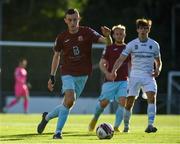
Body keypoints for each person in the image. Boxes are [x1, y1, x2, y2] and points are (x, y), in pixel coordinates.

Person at [37, 8, 112, 139]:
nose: (73, 22)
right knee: (70, 99)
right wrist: (52, 76)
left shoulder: (87, 32)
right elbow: (56, 56)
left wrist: (108, 36)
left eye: (75, 20)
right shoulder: (61, 37)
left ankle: (47, 117)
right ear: (65, 20)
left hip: (83, 74)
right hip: (67, 72)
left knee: (68, 103)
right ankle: (57, 133)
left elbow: (108, 43)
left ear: (79, 19)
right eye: (70, 20)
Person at [109, 18, 162, 133]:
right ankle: (126, 126)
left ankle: (150, 125)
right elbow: (120, 59)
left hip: (149, 76)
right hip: (134, 76)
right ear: (137, 30)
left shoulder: (154, 45)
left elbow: (158, 61)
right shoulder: (132, 44)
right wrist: (114, 71)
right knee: (129, 103)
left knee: (152, 97)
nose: (143, 30)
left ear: (149, 30)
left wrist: (158, 69)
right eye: (141, 28)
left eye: (145, 28)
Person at [88, 24, 130, 132]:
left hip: (124, 80)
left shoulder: (128, 48)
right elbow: (102, 63)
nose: (119, 35)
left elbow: (131, 64)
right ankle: (95, 118)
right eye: (117, 34)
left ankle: (116, 127)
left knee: (122, 102)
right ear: (114, 35)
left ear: (124, 34)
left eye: (121, 33)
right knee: (104, 103)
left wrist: (132, 76)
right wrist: (107, 73)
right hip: (110, 81)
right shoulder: (109, 48)